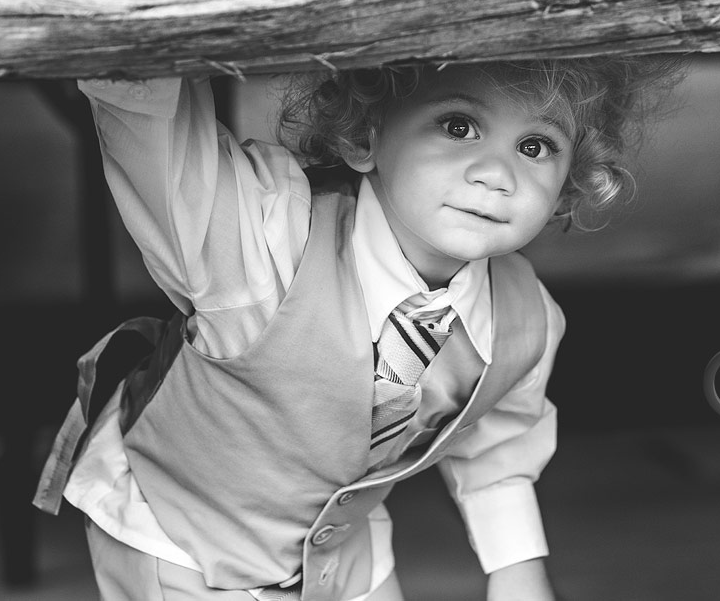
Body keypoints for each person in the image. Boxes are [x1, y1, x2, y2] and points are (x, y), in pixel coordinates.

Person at [34, 58, 680, 601]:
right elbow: (162, 144)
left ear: (568, 181)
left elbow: (494, 445)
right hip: (181, 530)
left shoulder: (523, 318)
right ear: (366, 137)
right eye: (458, 125)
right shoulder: (269, 239)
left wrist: (516, 570)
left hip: (342, 555)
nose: (497, 172)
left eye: (535, 146)